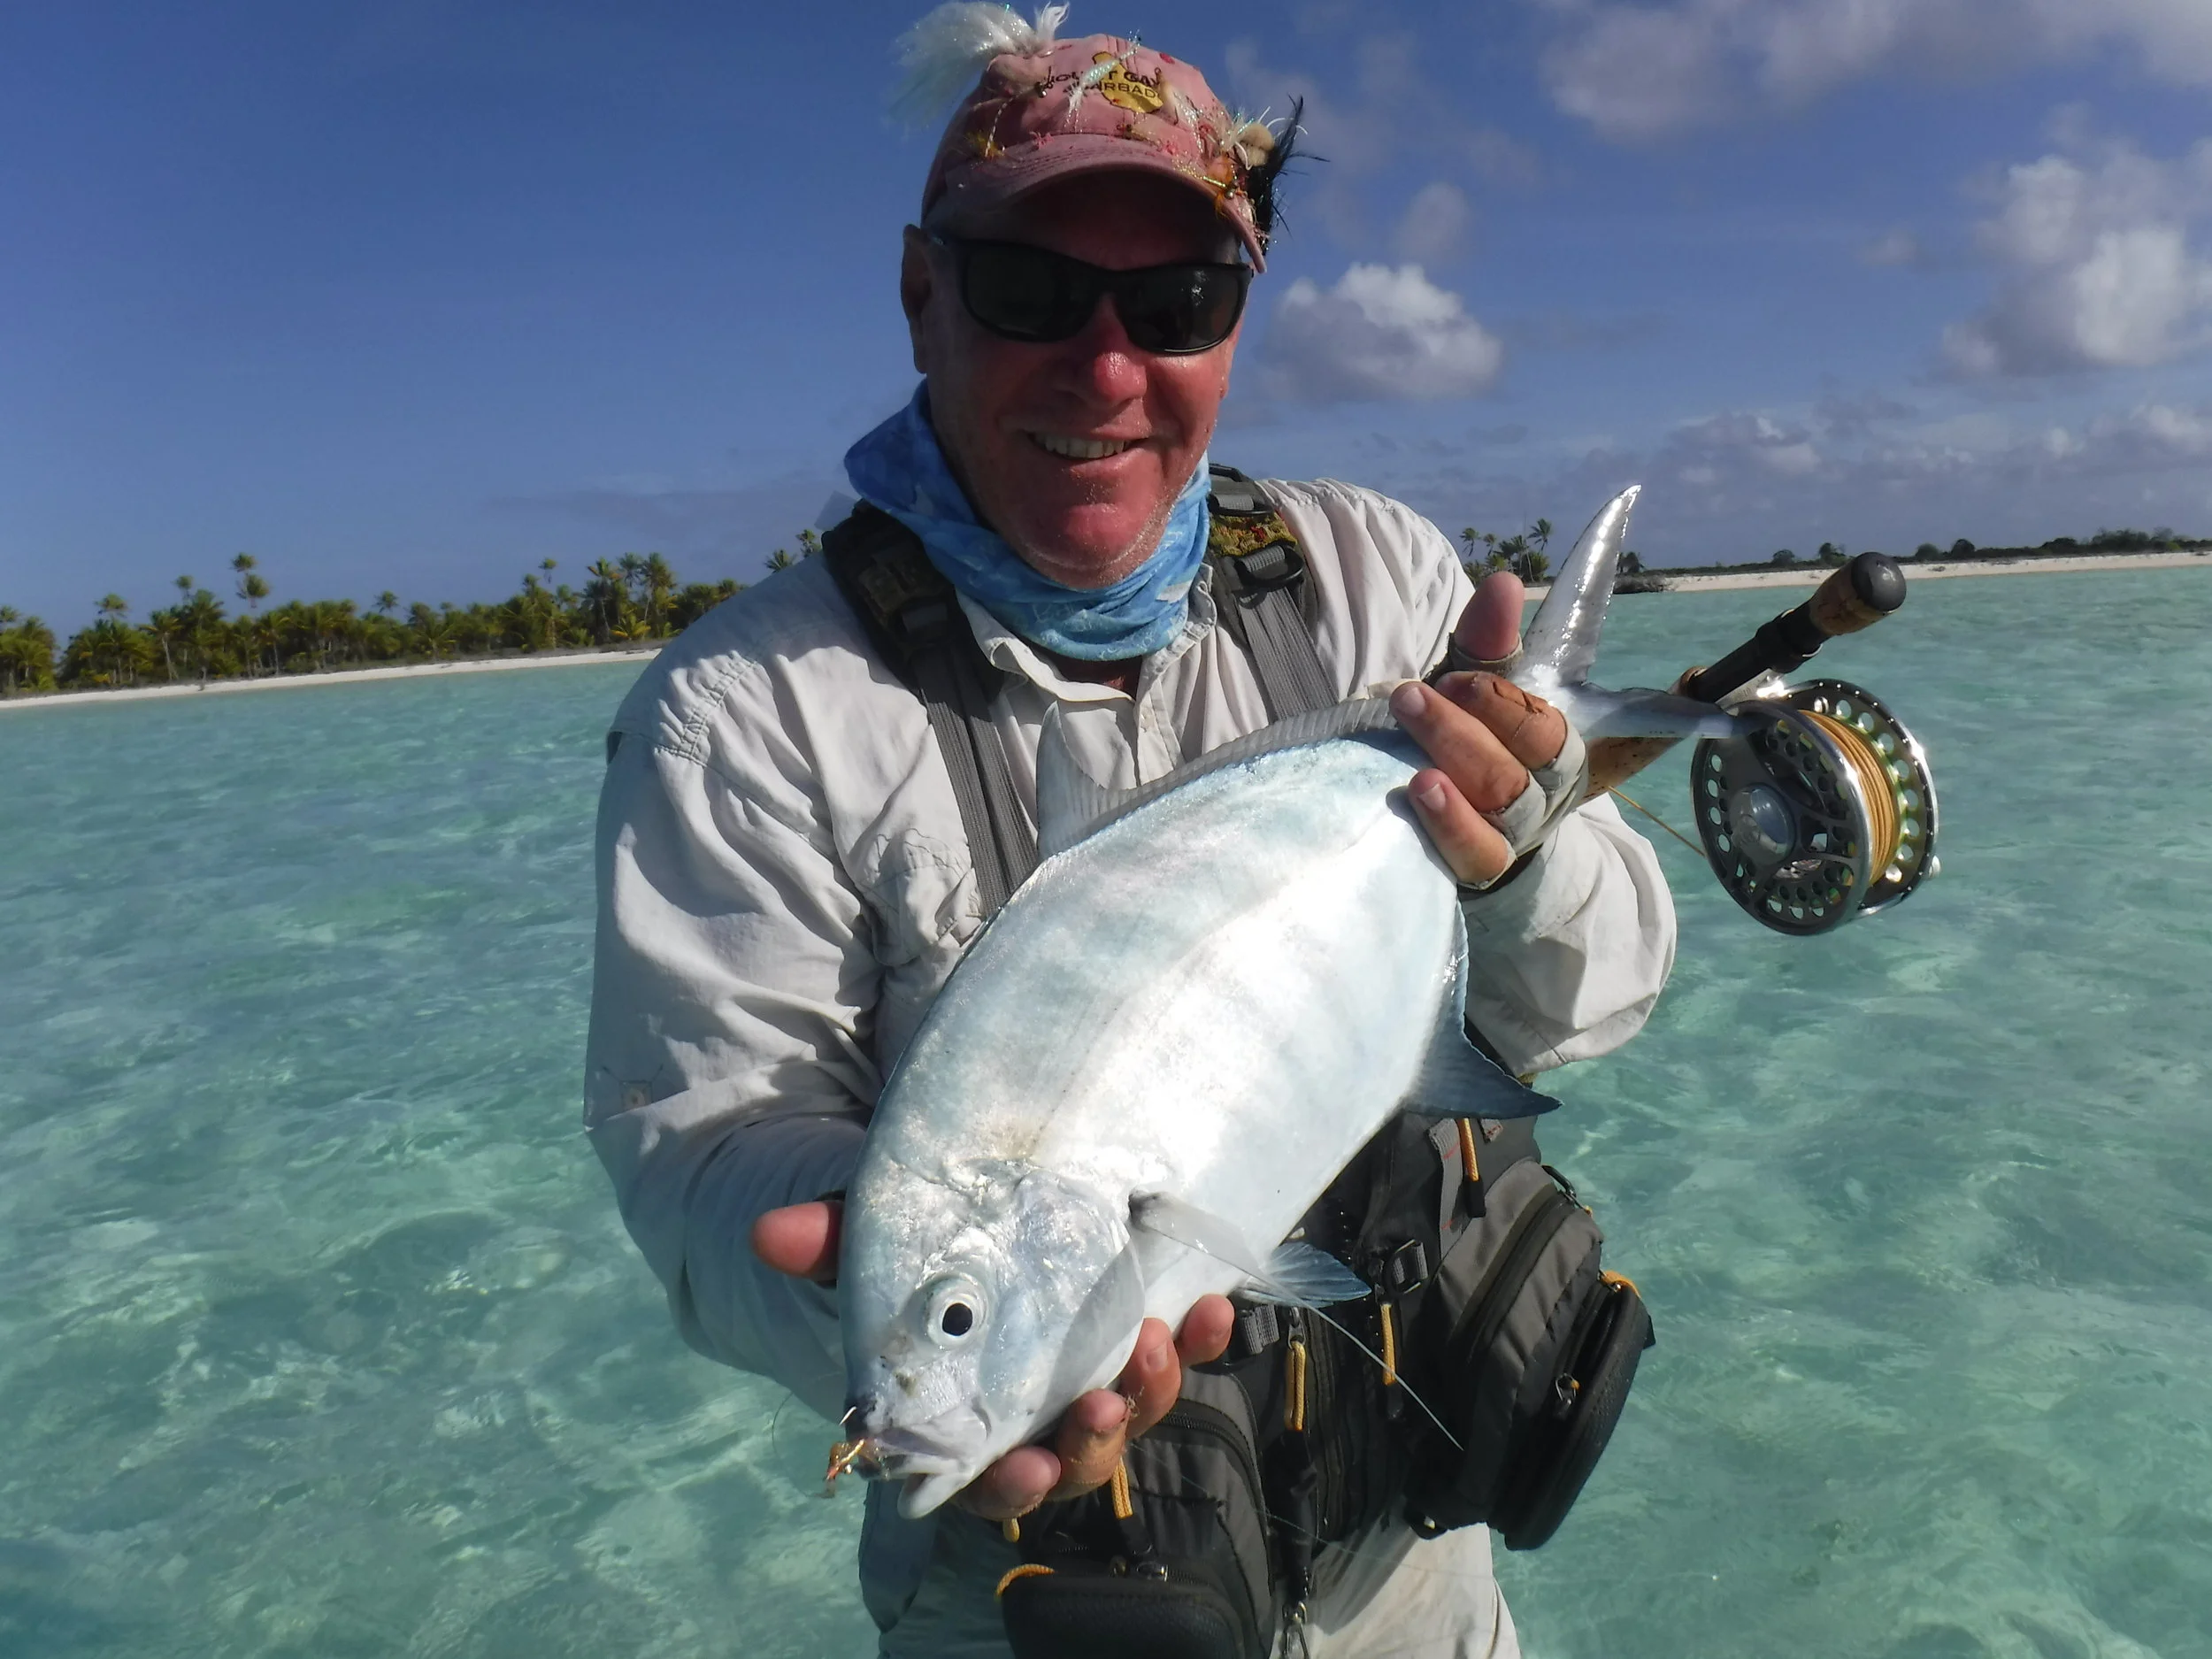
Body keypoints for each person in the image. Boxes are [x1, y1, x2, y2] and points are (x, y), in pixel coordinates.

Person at [584, 12, 1674, 1655]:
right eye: (1031, 289)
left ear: (1234, 326)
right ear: (918, 289)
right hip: (1043, 1594)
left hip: (1418, 1581)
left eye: (1174, 302)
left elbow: (1594, 1002)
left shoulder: (1373, 578)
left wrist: (1522, 862)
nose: (1105, 367)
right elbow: (702, 1171)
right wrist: (900, 1296)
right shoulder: (749, 712)